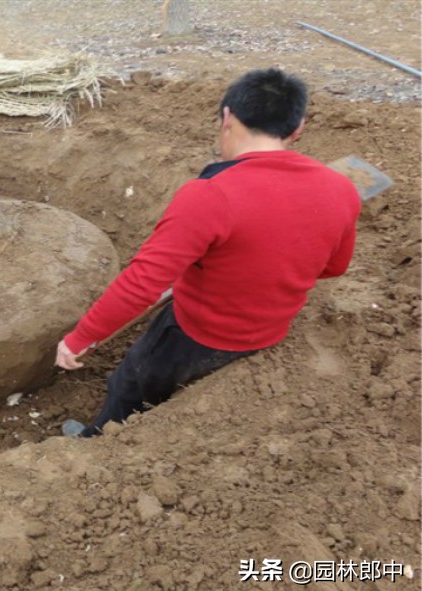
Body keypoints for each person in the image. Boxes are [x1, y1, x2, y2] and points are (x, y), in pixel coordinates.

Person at [56, 68, 361, 438]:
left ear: (228, 116)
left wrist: (79, 338)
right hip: (269, 331)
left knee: (130, 383)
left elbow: (142, 283)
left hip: (198, 333)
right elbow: (334, 267)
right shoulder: (341, 187)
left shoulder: (211, 194)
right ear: (297, 128)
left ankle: (97, 439)